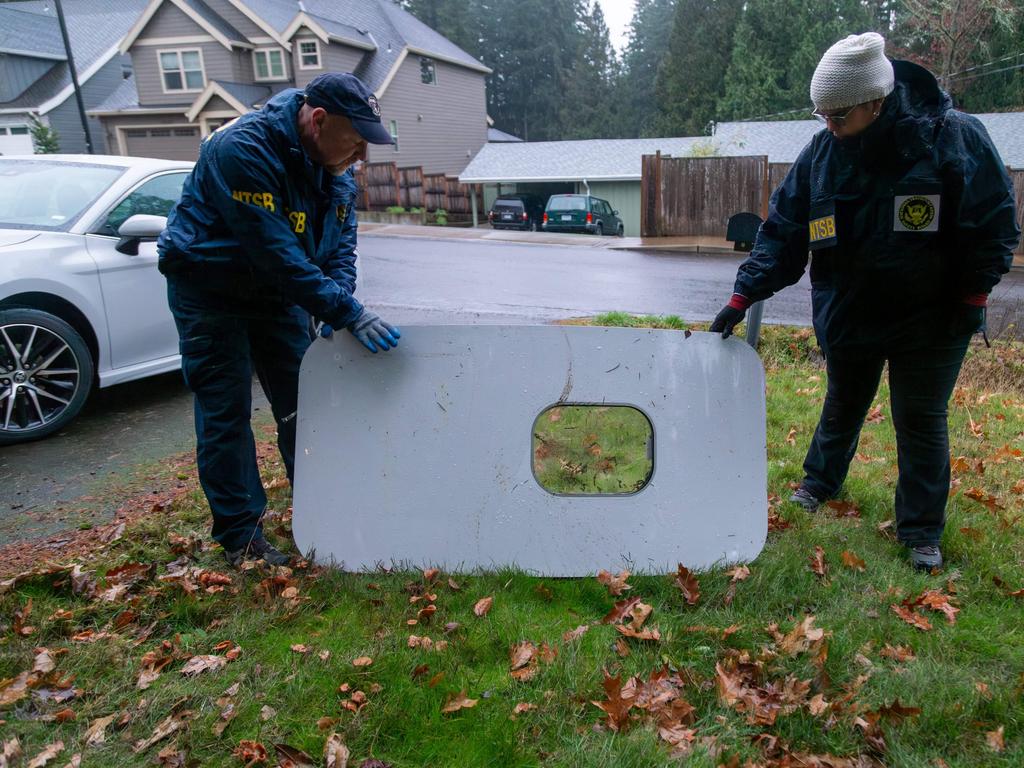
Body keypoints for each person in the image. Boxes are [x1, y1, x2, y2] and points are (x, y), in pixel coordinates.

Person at [708, 33, 1019, 571]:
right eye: (821, 114)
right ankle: (819, 483)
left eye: (840, 115)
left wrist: (974, 292)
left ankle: (921, 531)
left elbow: (994, 225)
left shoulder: (952, 138)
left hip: (933, 317)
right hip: (851, 311)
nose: (828, 126)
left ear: (875, 102)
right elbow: (783, 231)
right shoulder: (822, 154)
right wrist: (744, 293)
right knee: (843, 402)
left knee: (920, 418)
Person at [158, 73, 401, 567]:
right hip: (211, 288)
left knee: (305, 406)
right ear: (318, 121)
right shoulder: (242, 149)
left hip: (277, 294)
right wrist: (346, 311)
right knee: (226, 412)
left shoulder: (335, 171)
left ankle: (321, 510)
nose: (361, 157)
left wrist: (339, 302)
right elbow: (276, 253)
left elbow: (340, 248)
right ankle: (241, 537)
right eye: (355, 142)